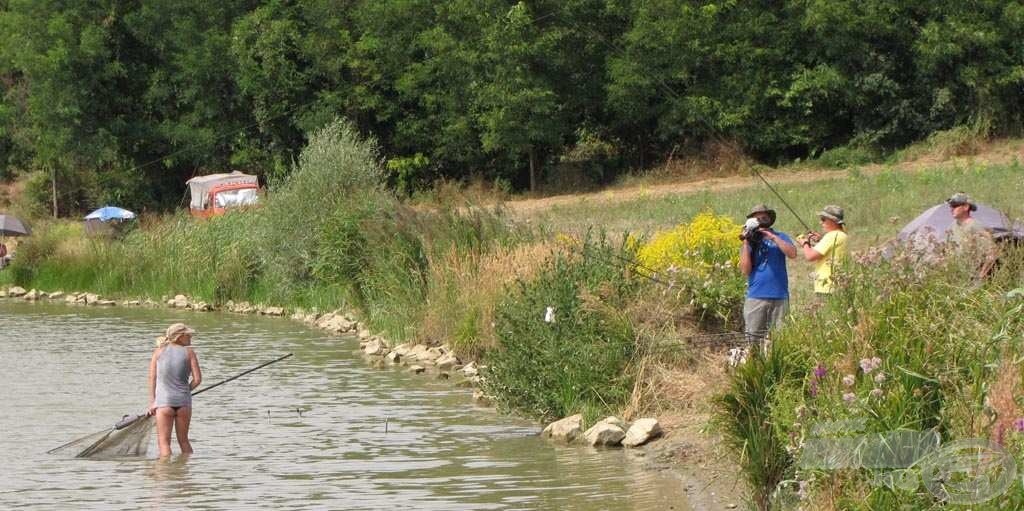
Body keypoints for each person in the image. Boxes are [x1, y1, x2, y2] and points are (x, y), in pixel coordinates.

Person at [739, 204, 797, 345]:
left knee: (780, 340)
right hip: (756, 296)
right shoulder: (751, 241)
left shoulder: (780, 236)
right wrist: (746, 243)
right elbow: (745, 270)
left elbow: (792, 253)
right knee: (753, 340)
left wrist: (772, 237)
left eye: (764, 217)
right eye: (756, 218)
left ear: (770, 219)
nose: (761, 219)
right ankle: (754, 365)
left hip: (779, 295)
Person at [148, 323, 202, 457]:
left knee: (164, 443)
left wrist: (153, 402)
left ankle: (166, 474)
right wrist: (186, 391)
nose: (191, 337)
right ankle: (186, 472)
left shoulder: (158, 352)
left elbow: (152, 379)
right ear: (179, 337)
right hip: (184, 403)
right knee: (184, 441)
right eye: (188, 335)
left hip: (163, 403)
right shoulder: (190, 353)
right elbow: (197, 380)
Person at [798, 205, 849, 297]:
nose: (821, 222)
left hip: (827, 287)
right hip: (840, 285)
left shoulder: (831, 236)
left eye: (823, 219)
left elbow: (810, 256)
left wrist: (805, 243)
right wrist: (820, 239)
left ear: (833, 221)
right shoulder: (843, 236)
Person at [946, 192, 997, 279]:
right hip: (956, 275)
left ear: (966, 207)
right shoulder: (952, 226)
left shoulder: (975, 226)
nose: (951, 209)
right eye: (951, 206)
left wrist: (980, 276)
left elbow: (992, 253)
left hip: (971, 275)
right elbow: (948, 249)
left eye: (955, 206)